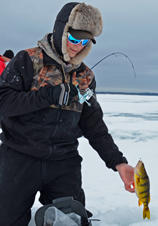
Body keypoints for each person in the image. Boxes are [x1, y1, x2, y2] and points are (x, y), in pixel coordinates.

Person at [0, 2, 135, 226]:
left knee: (72, 221)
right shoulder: (27, 60)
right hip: (18, 157)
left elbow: (94, 125)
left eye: (85, 42)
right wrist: (47, 96)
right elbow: (3, 102)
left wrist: (118, 162)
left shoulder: (85, 77)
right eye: (74, 39)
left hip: (63, 162)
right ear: (61, 30)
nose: (78, 46)